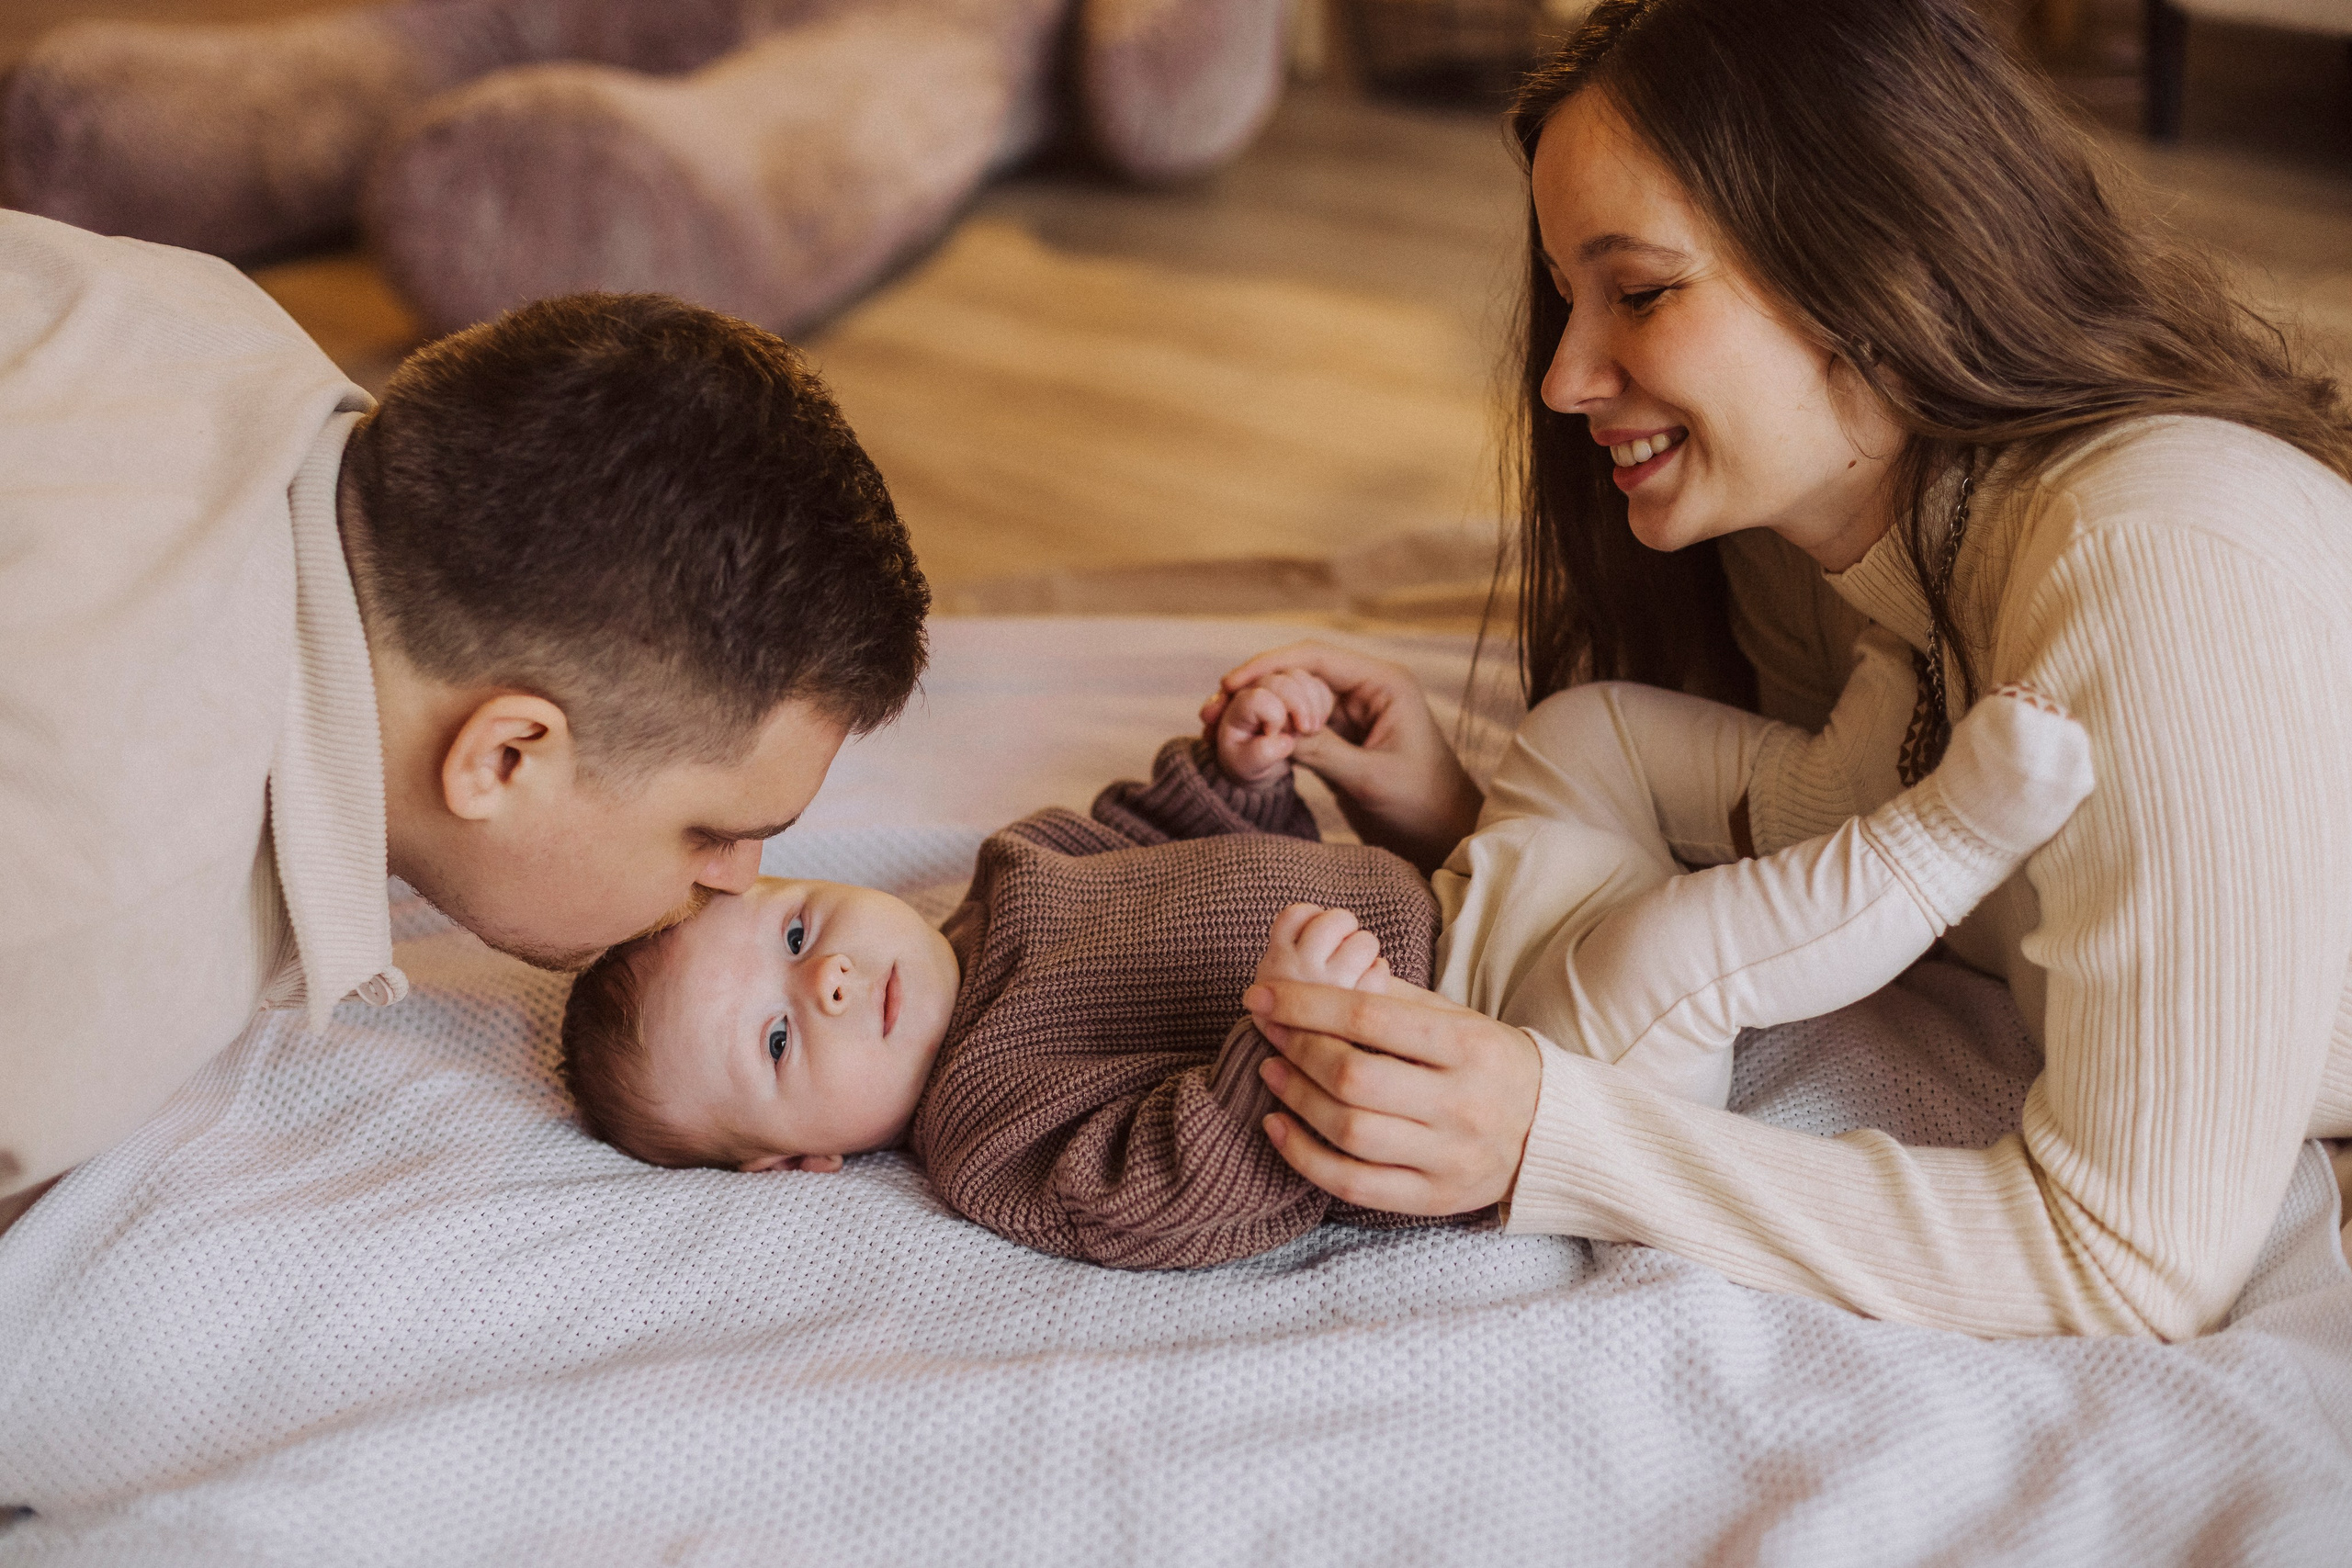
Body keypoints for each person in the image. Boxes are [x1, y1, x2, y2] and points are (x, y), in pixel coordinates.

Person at [1206, 0, 2352, 1337]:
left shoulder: (2153, 558)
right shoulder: (1847, 556)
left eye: (1637, 291)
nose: (1565, 379)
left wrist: (1560, 1135)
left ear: (1871, 261)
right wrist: (1473, 817)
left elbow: (2129, 1259)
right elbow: (1824, 839)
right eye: (1571, 299)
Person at [0, 210, 930, 1235]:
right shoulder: (91, 945)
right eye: (711, 833)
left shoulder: (184, 301)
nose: (737, 880)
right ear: (504, 756)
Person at [552, 661, 2089, 1269]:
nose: (825, 979)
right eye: (774, 1041)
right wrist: (1280, 1028)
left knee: (1580, 732)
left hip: (1470, 893)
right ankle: (1945, 839)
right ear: (800, 1161)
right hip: (1513, 1050)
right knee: (1676, 954)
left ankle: (1830, 776)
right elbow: (1177, 1188)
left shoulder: (1009, 875)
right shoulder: (988, 1128)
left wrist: (1237, 765)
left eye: (803, 930)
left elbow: (1160, 829)